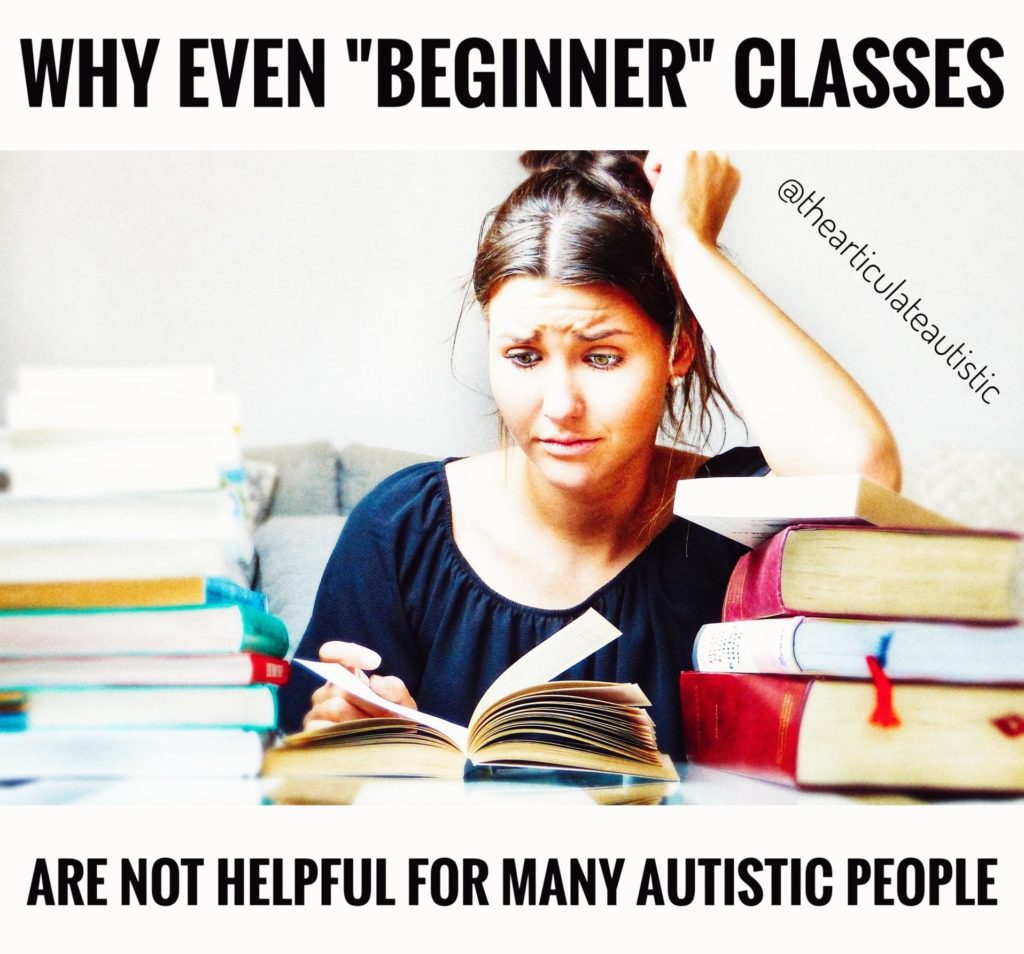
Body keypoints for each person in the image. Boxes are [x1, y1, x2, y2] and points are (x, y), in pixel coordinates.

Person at [278, 151, 900, 759]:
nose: (560, 405)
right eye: (523, 356)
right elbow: (307, 784)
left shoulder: (730, 524)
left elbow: (865, 475)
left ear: (678, 350)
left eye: (602, 357)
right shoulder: (399, 528)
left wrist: (690, 245)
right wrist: (342, 731)